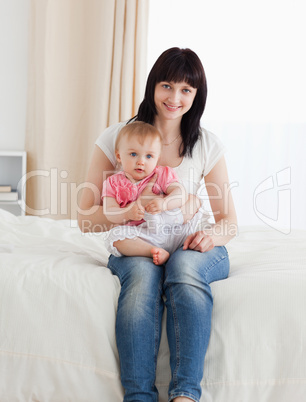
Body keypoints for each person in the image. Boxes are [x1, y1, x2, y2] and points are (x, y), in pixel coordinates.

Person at [78, 47, 237, 402]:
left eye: (186, 90)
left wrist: (209, 236)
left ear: (197, 96)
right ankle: (139, 396)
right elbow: (85, 219)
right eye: (167, 86)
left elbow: (229, 222)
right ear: (153, 86)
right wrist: (127, 212)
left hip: (187, 240)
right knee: (142, 278)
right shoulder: (119, 137)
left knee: (183, 268)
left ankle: (185, 394)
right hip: (137, 238)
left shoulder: (206, 144)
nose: (175, 98)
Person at [102, 120, 202, 265]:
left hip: (171, 227)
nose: (141, 161)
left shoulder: (161, 174)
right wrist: (127, 213)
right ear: (119, 156)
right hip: (143, 235)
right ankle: (153, 251)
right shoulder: (113, 183)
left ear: (157, 159)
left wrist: (164, 203)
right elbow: (109, 211)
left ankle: (168, 230)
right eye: (133, 154)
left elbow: (180, 193)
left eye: (148, 156)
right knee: (115, 237)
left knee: (192, 199)